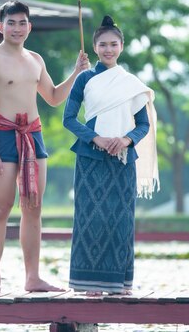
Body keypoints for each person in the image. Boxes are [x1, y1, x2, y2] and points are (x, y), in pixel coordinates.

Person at [0, 0, 89, 293]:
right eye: (11, 23)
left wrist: (76, 72)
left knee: (33, 207)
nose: (17, 28)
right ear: (1, 27)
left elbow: (52, 97)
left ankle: (33, 277)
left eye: (22, 22)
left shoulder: (36, 59)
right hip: (3, 134)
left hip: (33, 135)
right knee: (1, 207)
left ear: (29, 26)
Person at [62, 15, 159, 296]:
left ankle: (121, 282)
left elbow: (143, 125)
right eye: (103, 44)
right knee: (90, 218)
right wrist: (97, 139)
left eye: (113, 44)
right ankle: (89, 283)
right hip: (90, 158)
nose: (108, 49)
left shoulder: (130, 83)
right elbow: (69, 119)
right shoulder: (84, 79)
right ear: (94, 47)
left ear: (122, 46)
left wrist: (126, 140)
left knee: (121, 219)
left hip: (123, 159)